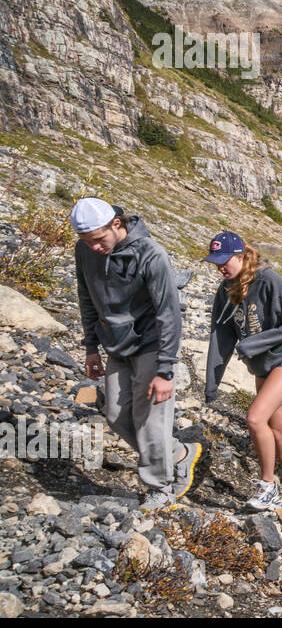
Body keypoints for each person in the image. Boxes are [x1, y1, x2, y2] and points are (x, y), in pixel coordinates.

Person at [71, 198, 201, 512]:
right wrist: (91, 347)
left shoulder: (150, 254)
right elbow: (87, 297)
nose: (95, 248)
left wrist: (166, 369)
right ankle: (178, 454)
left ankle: (161, 490)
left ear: (117, 224)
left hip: (151, 345)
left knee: (149, 420)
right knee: (115, 414)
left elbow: (169, 313)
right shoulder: (85, 251)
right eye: (88, 242)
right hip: (115, 345)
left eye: (99, 240)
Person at [204, 231, 282, 510]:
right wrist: (211, 383)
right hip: (264, 362)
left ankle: (267, 485)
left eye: (225, 260)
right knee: (279, 430)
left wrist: (253, 343)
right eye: (215, 262)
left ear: (241, 256)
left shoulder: (268, 280)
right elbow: (221, 335)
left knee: (255, 419)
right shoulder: (225, 289)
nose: (220, 267)